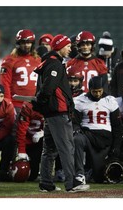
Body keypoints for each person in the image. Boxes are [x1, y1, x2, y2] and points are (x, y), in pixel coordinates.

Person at [32, 34, 89, 192]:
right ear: (59, 46)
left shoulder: (48, 62)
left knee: (49, 150)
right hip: (58, 113)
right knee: (66, 148)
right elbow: (48, 88)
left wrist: (41, 104)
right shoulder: (55, 64)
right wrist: (41, 101)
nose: (70, 48)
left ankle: (45, 183)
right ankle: (71, 183)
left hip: (51, 113)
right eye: (67, 45)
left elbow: (46, 89)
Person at [72, 76, 123, 183]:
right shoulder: (80, 100)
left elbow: (117, 126)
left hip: (104, 137)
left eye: (100, 91)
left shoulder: (110, 101)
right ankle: (79, 173)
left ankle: (90, 170)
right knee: (77, 139)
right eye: (95, 91)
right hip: (87, 134)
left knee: (99, 178)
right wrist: (77, 129)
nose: (98, 94)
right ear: (89, 89)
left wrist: (116, 146)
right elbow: (74, 122)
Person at [0, 29, 41, 115]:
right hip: (17, 104)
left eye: (29, 42)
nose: (26, 45)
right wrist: (8, 104)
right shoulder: (10, 60)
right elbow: (5, 84)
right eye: (23, 43)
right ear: (18, 44)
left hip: (35, 104)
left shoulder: (38, 60)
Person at [16, 101, 44, 181]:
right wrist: (21, 150)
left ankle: (58, 170)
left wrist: (44, 133)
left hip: (40, 141)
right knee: (28, 175)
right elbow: (21, 130)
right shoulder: (28, 107)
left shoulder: (53, 105)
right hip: (27, 140)